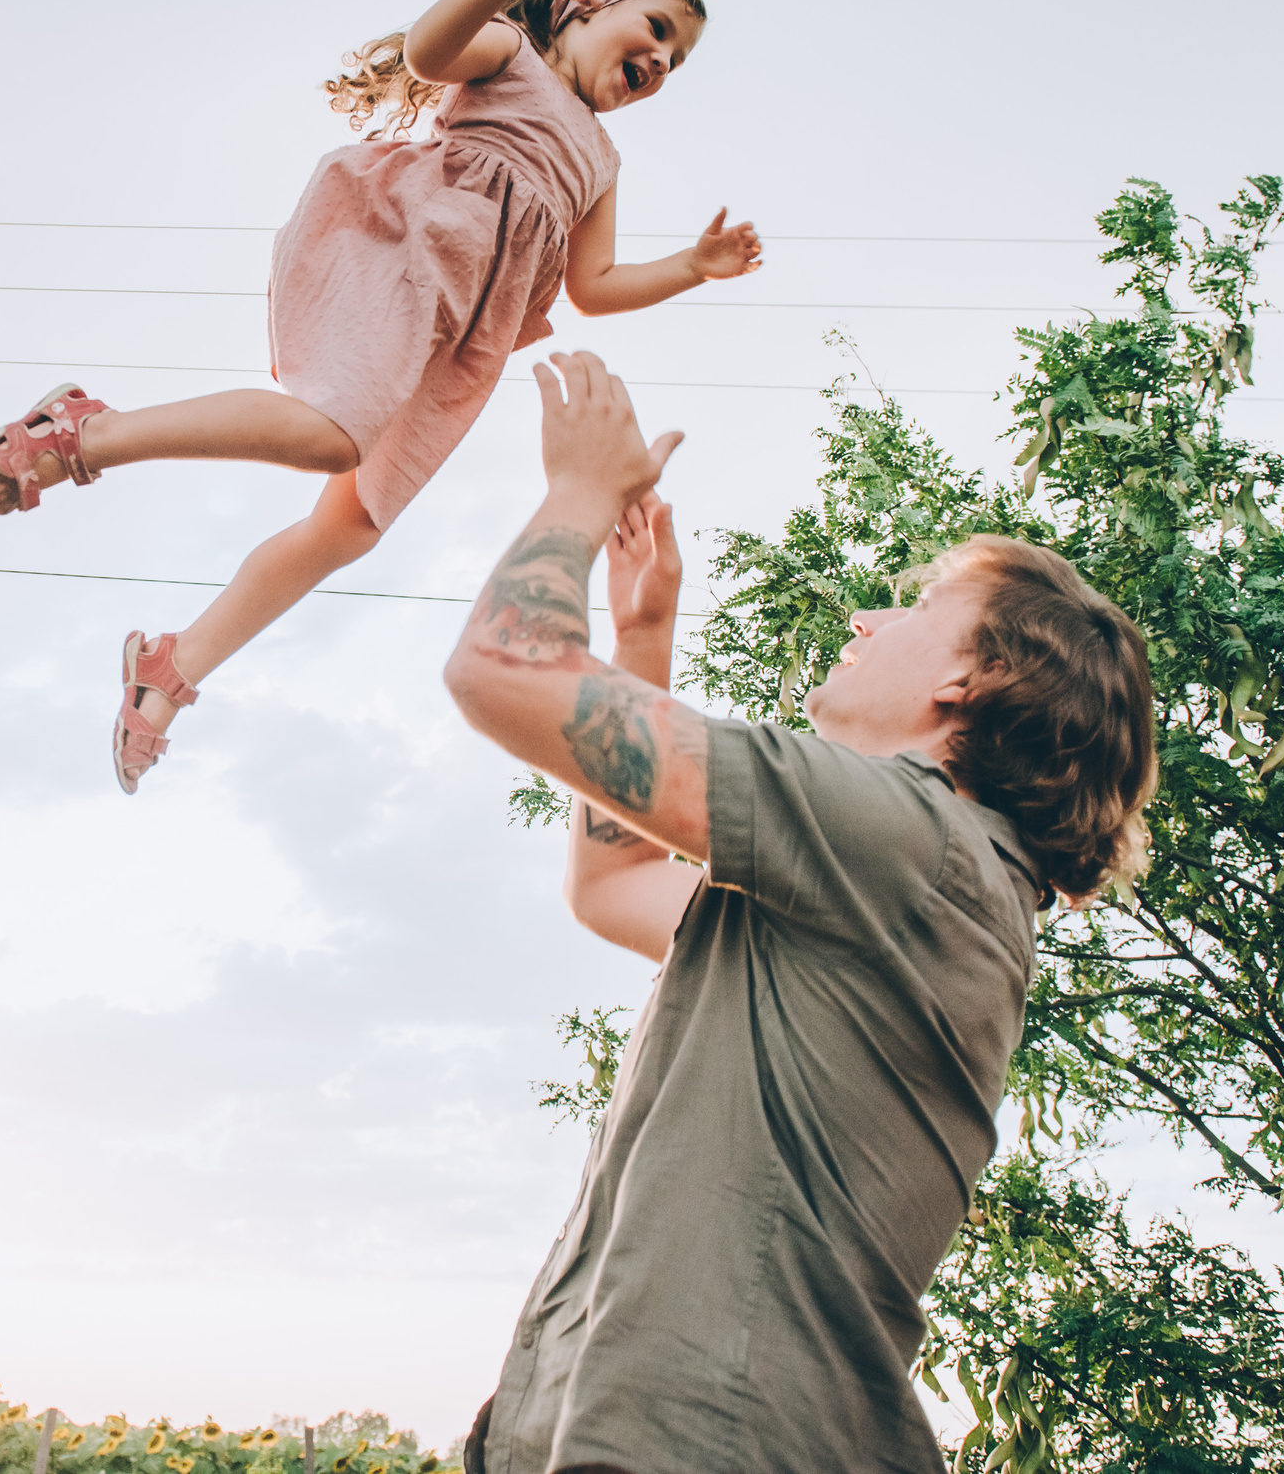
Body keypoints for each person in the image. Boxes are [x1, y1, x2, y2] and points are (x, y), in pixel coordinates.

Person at [442, 353, 1158, 1473]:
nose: (872, 617)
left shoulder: (916, 840)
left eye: (920, 606)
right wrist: (643, 637)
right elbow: (613, 885)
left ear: (972, 678)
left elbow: (501, 667)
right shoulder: (893, 885)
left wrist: (579, 489)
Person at [0, 0, 762, 793]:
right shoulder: (509, 53)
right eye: (658, 29)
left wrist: (692, 266)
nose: (664, 61)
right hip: (408, 258)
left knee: (352, 522)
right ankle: (87, 432)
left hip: (462, 339)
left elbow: (593, 286)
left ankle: (173, 664)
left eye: (678, 59)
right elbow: (426, 52)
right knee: (330, 436)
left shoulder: (602, 163)